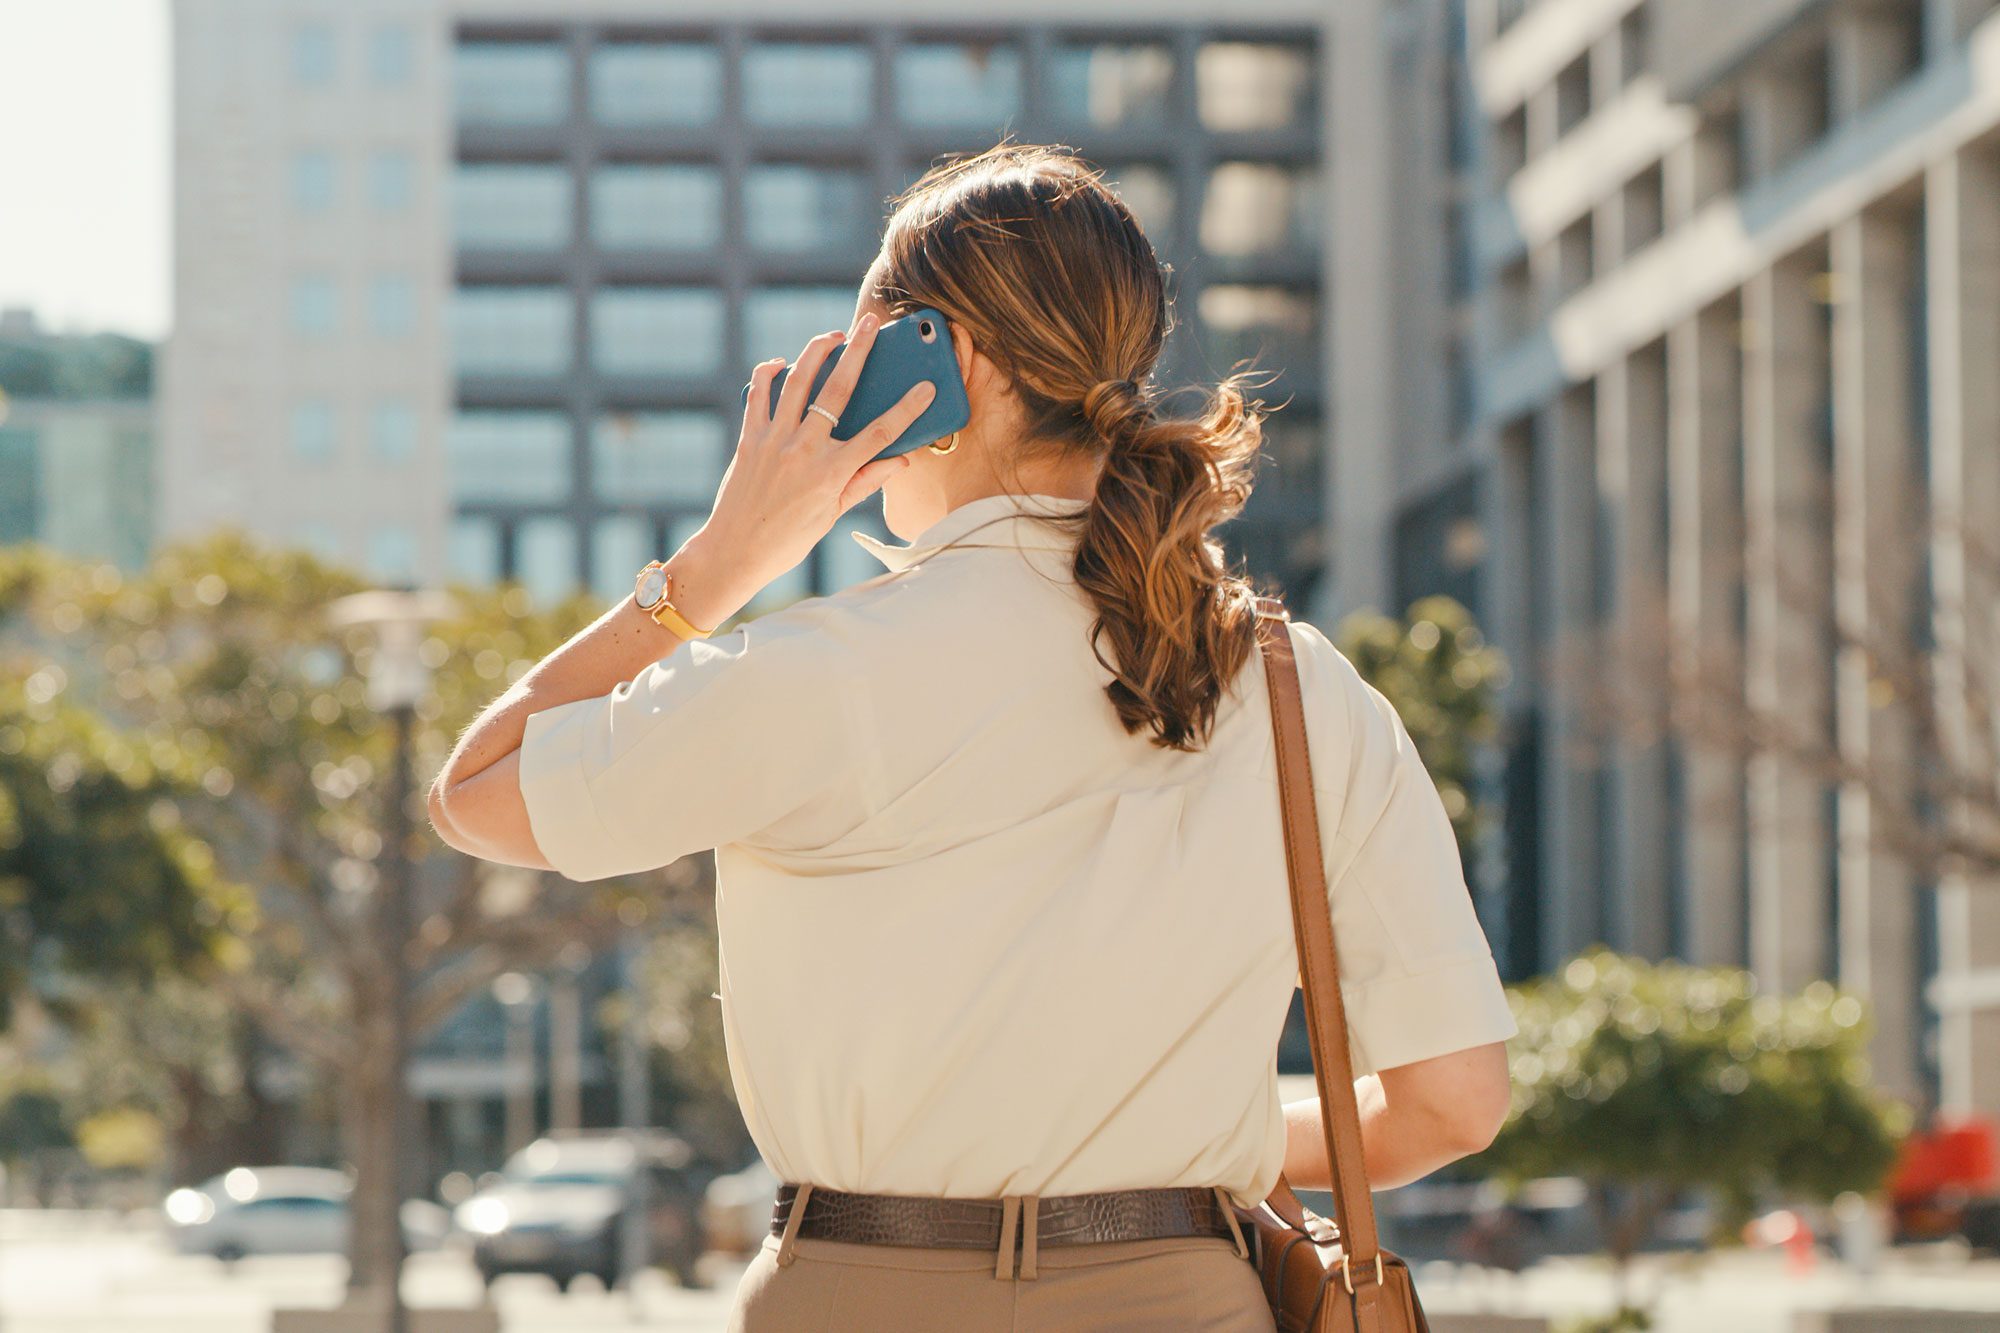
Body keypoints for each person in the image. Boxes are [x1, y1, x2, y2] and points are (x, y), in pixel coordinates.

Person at [429, 142, 1516, 1332]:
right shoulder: (1297, 684)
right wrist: (1195, 1134)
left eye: (862, 343)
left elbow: (476, 790)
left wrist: (717, 561)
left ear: (945, 361)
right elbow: (1451, 1104)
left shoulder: (817, 672)